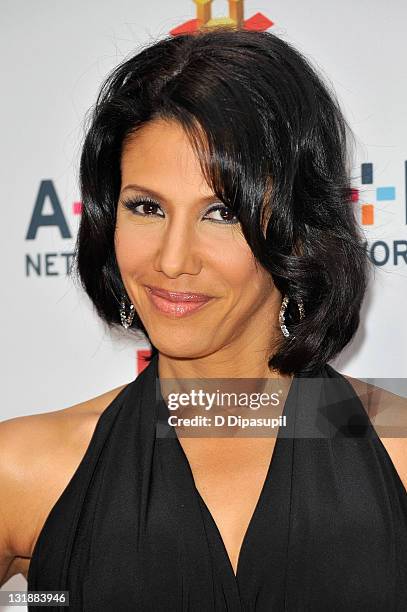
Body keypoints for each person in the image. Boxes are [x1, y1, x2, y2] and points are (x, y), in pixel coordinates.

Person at [1, 27, 406, 611]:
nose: (171, 260)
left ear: (297, 228)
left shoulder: (398, 449)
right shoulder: (23, 469)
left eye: (221, 212)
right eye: (146, 208)